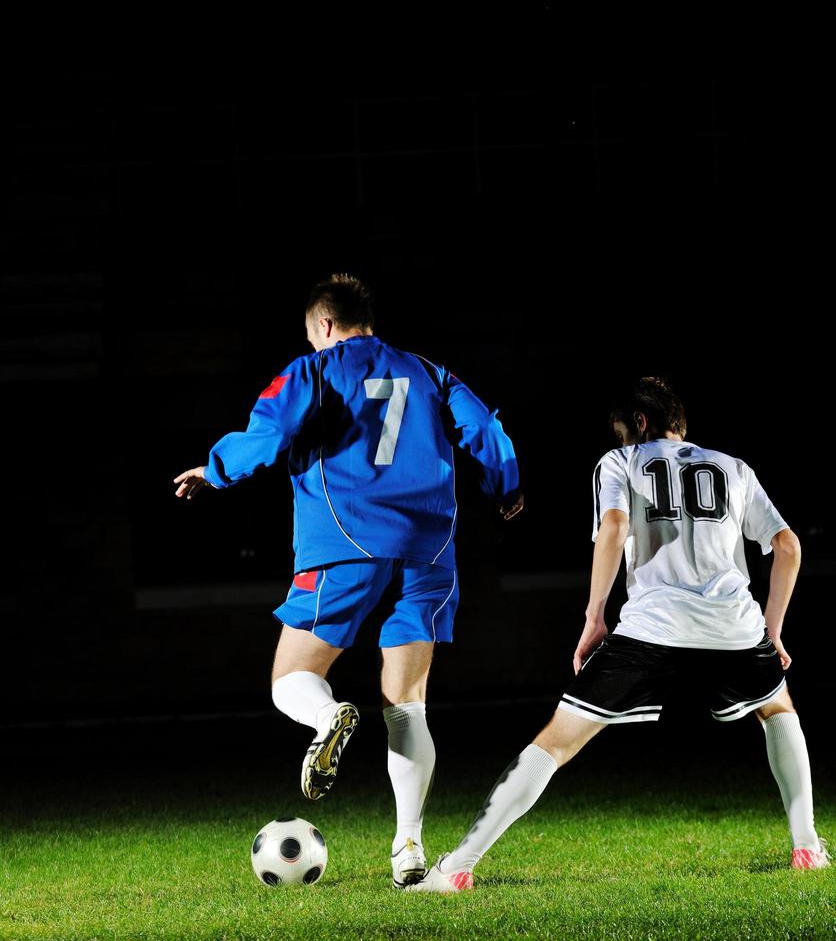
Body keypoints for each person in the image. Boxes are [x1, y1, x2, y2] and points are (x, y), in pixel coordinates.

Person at [409, 376, 828, 892]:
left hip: (651, 627)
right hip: (734, 627)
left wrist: (594, 617)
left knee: (556, 742)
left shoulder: (620, 462)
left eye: (620, 432)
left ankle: (457, 869)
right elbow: (787, 546)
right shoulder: (733, 467)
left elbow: (613, 528)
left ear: (640, 423)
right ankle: (807, 846)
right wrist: (773, 630)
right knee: (778, 710)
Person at [172, 273, 523, 887]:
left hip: (346, 542)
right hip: (429, 549)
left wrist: (216, 469)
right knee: (407, 706)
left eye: (314, 336)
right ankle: (408, 852)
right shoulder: (428, 371)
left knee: (291, 679)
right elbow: (486, 430)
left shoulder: (312, 371)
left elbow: (272, 432)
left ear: (325, 326)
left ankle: (326, 716)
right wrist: (508, 486)